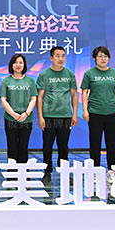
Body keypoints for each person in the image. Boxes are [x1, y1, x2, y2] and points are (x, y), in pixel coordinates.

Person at [80, 46, 115, 180]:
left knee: (112, 143)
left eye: (105, 56)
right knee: (95, 143)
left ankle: (111, 170)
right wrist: (85, 110)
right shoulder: (89, 74)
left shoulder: (114, 73)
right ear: (95, 58)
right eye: (100, 56)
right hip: (95, 113)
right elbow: (84, 92)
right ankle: (95, 171)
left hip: (112, 113)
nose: (103, 59)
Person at [37, 46, 79, 182]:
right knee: (47, 146)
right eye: (57, 55)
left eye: (63, 55)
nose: (61, 58)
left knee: (63, 146)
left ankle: (64, 172)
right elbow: (39, 98)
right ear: (51, 58)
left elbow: (74, 95)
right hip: (48, 116)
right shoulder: (44, 75)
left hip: (65, 116)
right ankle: (47, 172)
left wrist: (74, 114)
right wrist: (40, 117)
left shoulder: (70, 74)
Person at [0, 53, 37, 163]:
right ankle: (12, 172)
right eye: (15, 62)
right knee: (12, 147)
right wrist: (13, 114)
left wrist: (26, 113)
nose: (18, 65)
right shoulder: (6, 81)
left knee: (23, 147)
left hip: (27, 119)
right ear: (11, 65)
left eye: (21, 62)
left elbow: (33, 98)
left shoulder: (30, 80)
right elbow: (3, 99)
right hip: (10, 119)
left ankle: (23, 171)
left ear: (24, 65)